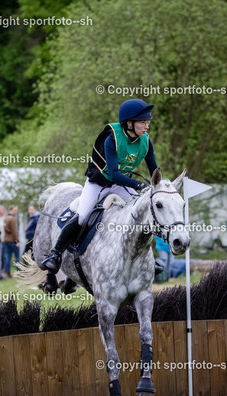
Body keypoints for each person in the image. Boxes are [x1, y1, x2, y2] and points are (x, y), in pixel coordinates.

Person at [43, 99, 159, 273]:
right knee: (82, 216)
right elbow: (113, 174)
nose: (146, 126)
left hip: (121, 185)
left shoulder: (145, 141)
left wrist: (160, 186)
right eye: (143, 122)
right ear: (129, 123)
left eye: (147, 122)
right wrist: (139, 185)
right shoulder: (111, 139)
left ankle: (148, 259)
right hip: (98, 184)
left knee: (142, 213)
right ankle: (55, 253)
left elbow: (153, 169)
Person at [3, 205, 20, 277]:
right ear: (11, 210)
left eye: (17, 210)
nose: (16, 211)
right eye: (15, 210)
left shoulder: (6, 218)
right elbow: (14, 231)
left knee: (8, 257)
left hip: (6, 240)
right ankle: (19, 272)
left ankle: (7, 271)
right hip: (12, 240)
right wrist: (17, 241)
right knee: (17, 257)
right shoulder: (12, 219)